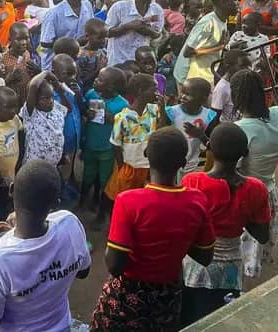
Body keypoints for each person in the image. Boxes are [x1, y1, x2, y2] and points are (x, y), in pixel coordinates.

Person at [91, 127, 215, 332]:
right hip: (167, 297)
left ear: (146, 155)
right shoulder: (197, 201)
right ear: (183, 163)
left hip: (128, 299)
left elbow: (114, 265)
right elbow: (205, 256)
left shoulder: (128, 201)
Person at [0, 160, 91, 331]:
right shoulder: (70, 224)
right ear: (55, 203)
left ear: (11, 190)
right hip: (60, 326)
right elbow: (83, 272)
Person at [181, 123, 271, 326]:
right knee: (222, 321)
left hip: (194, 267)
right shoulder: (255, 188)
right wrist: (241, 210)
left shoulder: (192, 182)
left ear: (209, 147)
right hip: (230, 270)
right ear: (245, 153)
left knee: (191, 320)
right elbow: (262, 236)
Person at [231, 69, 278, 278]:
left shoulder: (240, 129)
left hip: (247, 195)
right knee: (263, 247)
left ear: (236, 96)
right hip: (270, 191)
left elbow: (231, 168)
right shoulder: (276, 115)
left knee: (246, 249)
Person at [98, 74, 162, 226]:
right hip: (129, 164)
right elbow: (116, 144)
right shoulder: (123, 117)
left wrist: (164, 108)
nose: (157, 93)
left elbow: (161, 129)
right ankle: (109, 219)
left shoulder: (154, 110)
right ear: (140, 91)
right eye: (154, 89)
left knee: (140, 196)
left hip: (147, 165)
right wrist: (121, 166)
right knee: (118, 194)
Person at [81, 67, 129, 210]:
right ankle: (82, 201)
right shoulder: (91, 94)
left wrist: (114, 119)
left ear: (112, 87)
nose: (95, 80)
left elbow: (125, 127)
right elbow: (83, 109)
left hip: (108, 149)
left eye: (100, 80)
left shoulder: (122, 104)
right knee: (87, 174)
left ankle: (101, 207)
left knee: (105, 179)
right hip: (90, 144)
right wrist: (86, 113)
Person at [174, 0, 236, 86]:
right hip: (189, 77)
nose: (238, 4)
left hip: (204, 75)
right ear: (223, 3)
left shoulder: (222, 19)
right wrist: (219, 47)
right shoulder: (208, 23)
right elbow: (188, 52)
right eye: (235, 0)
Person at [106, 0, 164, 66]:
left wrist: (146, 30)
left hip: (141, 63)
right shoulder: (119, 8)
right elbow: (107, 33)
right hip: (118, 61)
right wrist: (128, 27)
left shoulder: (157, 10)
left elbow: (157, 34)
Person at [40, 0, 92, 71]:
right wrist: (75, 43)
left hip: (79, 66)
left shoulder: (87, 5)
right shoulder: (53, 14)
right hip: (56, 69)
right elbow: (45, 43)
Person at [20, 72, 67, 167]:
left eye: (52, 96)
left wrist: (60, 91)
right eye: (44, 98)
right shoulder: (31, 114)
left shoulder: (56, 108)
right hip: (34, 168)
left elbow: (69, 108)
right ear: (34, 99)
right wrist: (46, 73)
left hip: (53, 165)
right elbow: (33, 86)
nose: (50, 101)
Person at [0, 86, 21, 216]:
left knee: (14, 203)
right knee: (0, 205)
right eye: (8, 107)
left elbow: (21, 138)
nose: (13, 111)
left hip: (14, 174)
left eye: (15, 106)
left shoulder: (15, 120)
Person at [211, 49, 251, 122]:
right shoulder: (222, 89)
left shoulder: (244, 81)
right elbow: (214, 117)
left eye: (248, 66)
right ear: (228, 66)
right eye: (242, 66)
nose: (247, 69)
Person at [77, 18, 108, 93]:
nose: (103, 40)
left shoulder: (103, 52)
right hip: (86, 92)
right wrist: (98, 69)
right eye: (100, 38)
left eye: (105, 37)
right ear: (87, 36)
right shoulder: (81, 55)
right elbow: (80, 81)